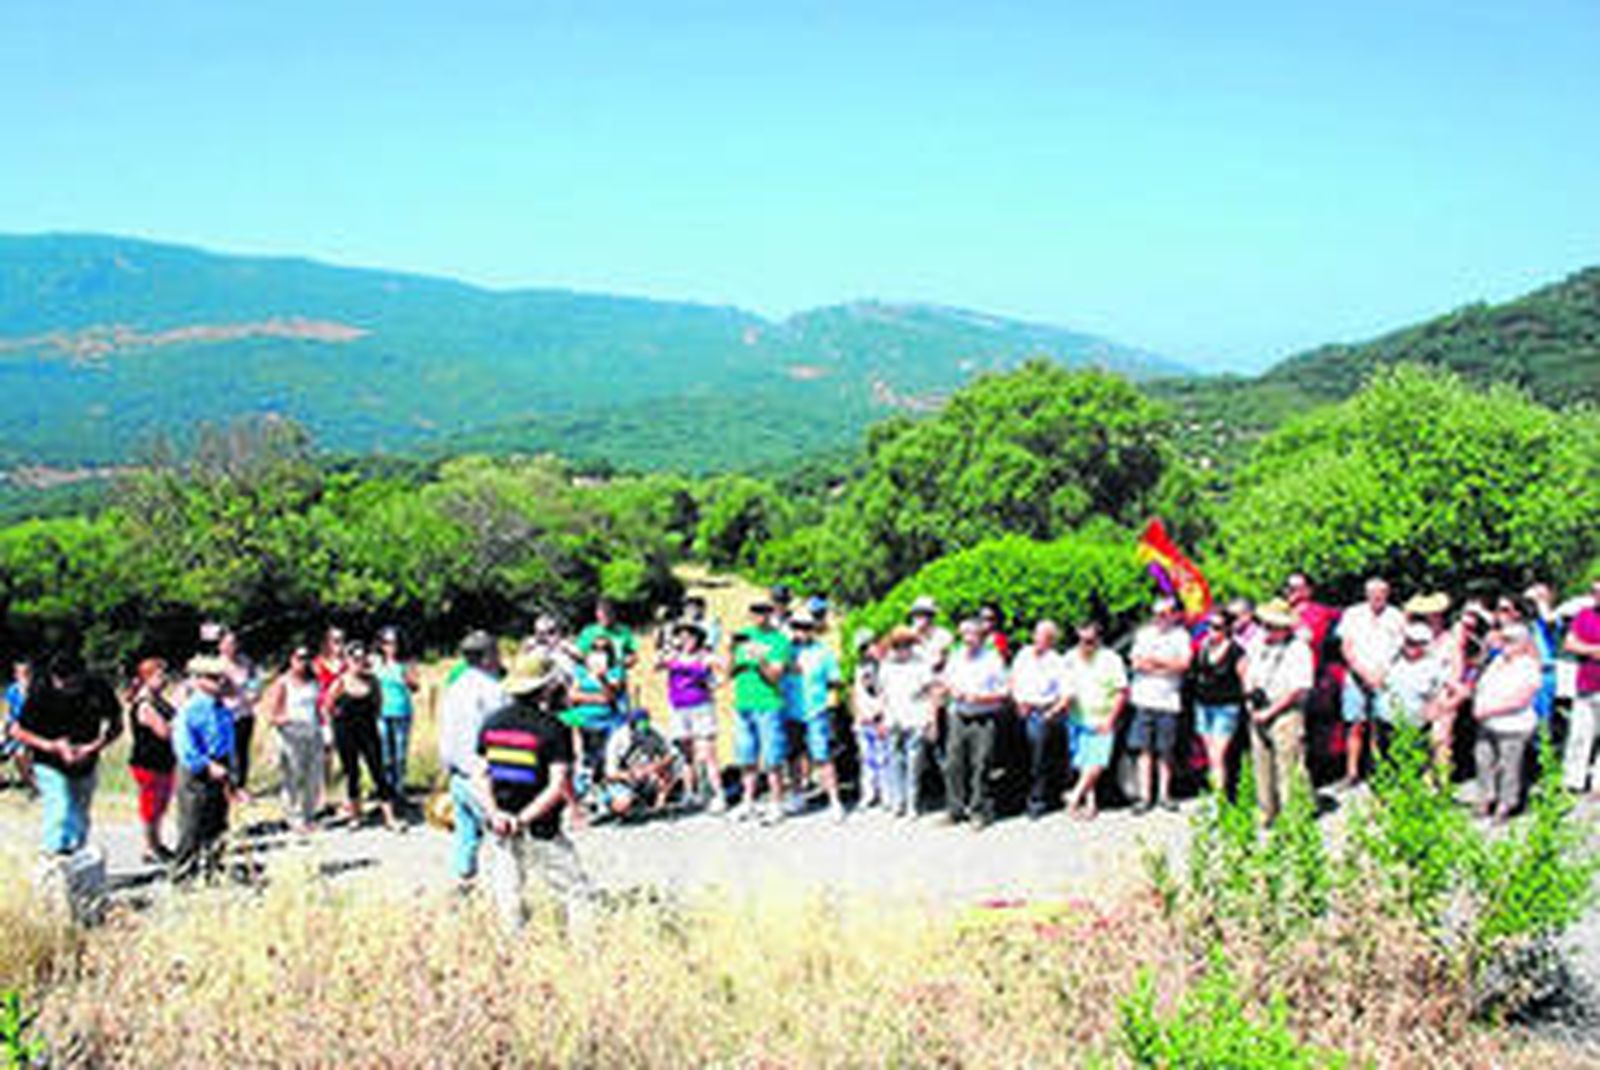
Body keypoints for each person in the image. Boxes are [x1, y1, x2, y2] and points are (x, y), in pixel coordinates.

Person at [472, 652, 595, 932]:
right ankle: (584, 950)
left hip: (500, 823)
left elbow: (481, 775)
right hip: (541, 825)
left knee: (509, 892)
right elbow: (557, 785)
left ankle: (513, 950)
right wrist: (525, 819)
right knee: (576, 889)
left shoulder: (491, 723)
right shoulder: (554, 729)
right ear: (547, 687)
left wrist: (496, 814)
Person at [10, 652, 122, 856]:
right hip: (49, 760)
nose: (62, 686)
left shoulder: (98, 688)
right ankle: (55, 855)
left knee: (79, 813)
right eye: (58, 681)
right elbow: (17, 731)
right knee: (59, 806)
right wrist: (51, 746)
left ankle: (77, 858)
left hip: (86, 759)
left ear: (81, 676)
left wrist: (93, 747)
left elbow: (116, 725)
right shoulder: (41, 689)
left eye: (69, 683)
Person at [438, 630, 506, 890]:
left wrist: (446, 769)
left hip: (457, 772)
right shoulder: (494, 690)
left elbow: (445, 732)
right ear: (488, 657)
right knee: (497, 834)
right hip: (484, 774)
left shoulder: (455, 687)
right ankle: (499, 889)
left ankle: (464, 882)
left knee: (465, 835)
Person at [171, 655, 242, 883]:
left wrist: (232, 772)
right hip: (197, 770)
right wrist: (206, 765)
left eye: (221, 678)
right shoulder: (191, 709)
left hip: (221, 764)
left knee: (218, 822)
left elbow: (228, 741)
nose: (219, 683)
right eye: (213, 678)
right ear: (199, 680)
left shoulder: (223, 709)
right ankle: (183, 874)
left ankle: (212, 868)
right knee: (193, 822)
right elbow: (184, 746)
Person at [1242, 600, 1314, 824]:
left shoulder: (1299, 649)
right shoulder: (1257, 643)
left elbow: (1299, 689)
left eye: (1272, 626)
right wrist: (1250, 694)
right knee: (1261, 764)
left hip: (1285, 711)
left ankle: (1295, 815)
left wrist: (1270, 711)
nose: (1266, 629)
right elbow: (1246, 667)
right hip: (1258, 709)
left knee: (1289, 766)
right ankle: (1267, 811)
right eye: (1265, 624)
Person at [940, 618, 1009, 829]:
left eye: (972, 634)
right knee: (953, 764)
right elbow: (946, 680)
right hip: (958, 715)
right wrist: (952, 690)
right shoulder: (956, 655)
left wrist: (980, 698)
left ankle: (979, 811)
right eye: (964, 634)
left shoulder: (992, 659)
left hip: (984, 717)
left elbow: (1005, 692)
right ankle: (955, 810)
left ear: (981, 636)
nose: (967, 639)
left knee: (981, 764)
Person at [1337, 578, 1406, 789]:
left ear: (1388, 594)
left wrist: (1381, 674)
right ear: (1366, 594)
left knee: (1383, 724)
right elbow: (1346, 647)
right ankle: (1352, 773)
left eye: (1382, 592)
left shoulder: (1397, 616)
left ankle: (1380, 770)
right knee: (1355, 724)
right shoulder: (1353, 614)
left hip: (1385, 677)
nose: (1377, 596)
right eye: (1373, 592)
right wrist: (1362, 672)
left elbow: (1401, 649)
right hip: (1356, 675)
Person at [727, 601, 792, 823]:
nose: (759, 616)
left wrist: (760, 659)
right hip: (743, 703)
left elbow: (775, 676)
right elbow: (730, 672)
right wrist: (730, 650)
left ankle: (776, 804)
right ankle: (748, 803)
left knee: (772, 758)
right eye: (755, 612)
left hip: (769, 704)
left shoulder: (780, 640)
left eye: (764, 612)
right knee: (746, 757)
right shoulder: (743, 636)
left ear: (771, 614)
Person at [1127, 597, 1193, 814]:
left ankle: (1165, 795)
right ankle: (1145, 797)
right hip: (1143, 698)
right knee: (1143, 750)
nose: (1160, 619)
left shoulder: (1181, 636)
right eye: (1156, 614)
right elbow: (1136, 662)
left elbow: (1183, 665)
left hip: (1168, 701)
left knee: (1166, 751)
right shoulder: (1143, 634)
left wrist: (1154, 663)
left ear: (1174, 614)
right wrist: (1165, 666)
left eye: (1165, 614)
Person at [324, 643, 399, 830]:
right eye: (355, 658)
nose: (359, 662)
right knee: (352, 773)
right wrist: (332, 730)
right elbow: (327, 707)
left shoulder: (373, 681)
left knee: (378, 771)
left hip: (368, 730)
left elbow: (378, 704)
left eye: (362, 658)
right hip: (345, 730)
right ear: (348, 660)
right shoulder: (340, 682)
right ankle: (356, 815)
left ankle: (390, 817)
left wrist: (373, 718)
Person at [655, 620, 725, 812]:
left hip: (701, 707)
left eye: (690, 636)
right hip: (678, 708)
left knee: (707, 754)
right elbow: (656, 665)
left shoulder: (705, 656)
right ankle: (690, 793)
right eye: (682, 636)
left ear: (698, 639)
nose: (685, 640)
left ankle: (718, 794)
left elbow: (723, 671)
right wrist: (665, 648)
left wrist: (713, 683)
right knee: (686, 755)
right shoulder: (673, 655)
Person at [1473, 623, 1542, 822]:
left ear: (1523, 644)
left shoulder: (1529, 666)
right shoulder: (1497, 662)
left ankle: (1506, 804)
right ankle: (1487, 797)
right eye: (1504, 640)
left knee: (1509, 765)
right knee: (1483, 760)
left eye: (1510, 640)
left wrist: (1489, 709)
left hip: (1513, 725)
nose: (1505, 644)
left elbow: (1521, 699)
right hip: (1488, 722)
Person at [1062, 621, 1128, 820]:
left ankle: (1074, 796)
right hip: (1077, 717)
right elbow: (1065, 686)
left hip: (1102, 717)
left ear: (1098, 640)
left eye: (1089, 641)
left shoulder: (1111, 659)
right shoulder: (1069, 658)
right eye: (1080, 640)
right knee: (1084, 762)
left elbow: (1122, 692)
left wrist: (1111, 719)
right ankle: (1090, 803)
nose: (1084, 645)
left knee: (1098, 761)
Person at [783, 608, 845, 820]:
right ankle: (797, 795)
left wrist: (821, 686)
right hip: (790, 710)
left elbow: (835, 679)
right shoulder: (785, 650)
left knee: (822, 757)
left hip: (815, 710)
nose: (801, 631)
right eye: (797, 627)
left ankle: (834, 800)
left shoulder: (823, 652)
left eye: (806, 627)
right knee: (793, 757)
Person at [260, 645, 325, 833]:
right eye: (299, 658)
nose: (303, 662)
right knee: (294, 777)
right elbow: (272, 714)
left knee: (313, 776)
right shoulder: (283, 683)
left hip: (313, 733)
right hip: (291, 734)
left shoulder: (314, 681)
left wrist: (325, 727)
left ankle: (308, 814)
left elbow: (319, 707)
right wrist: (286, 720)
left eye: (306, 658)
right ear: (291, 659)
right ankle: (293, 816)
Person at [1010, 620, 1070, 819]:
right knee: (1018, 758)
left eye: (1043, 636)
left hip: (1041, 712)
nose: (1037, 639)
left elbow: (1066, 694)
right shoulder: (1023, 654)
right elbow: (1013, 679)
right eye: (1036, 634)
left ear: (1051, 640)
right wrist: (1018, 702)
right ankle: (1016, 799)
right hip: (1020, 709)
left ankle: (1037, 801)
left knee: (1038, 761)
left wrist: (1049, 714)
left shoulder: (1057, 661)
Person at [878, 627, 937, 818]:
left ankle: (913, 803)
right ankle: (898, 802)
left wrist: (931, 720)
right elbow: (882, 694)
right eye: (898, 645)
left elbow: (931, 692)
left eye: (906, 644)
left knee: (914, 764)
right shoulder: (886, 665)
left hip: (916, 718)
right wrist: (882, 718)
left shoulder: (921, 664)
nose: (902, 648)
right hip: (893, 718)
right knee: (894, 762)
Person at [128, 658, 179, 863]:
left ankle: (156, 843)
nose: (165, 679)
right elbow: (164, 732)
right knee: (150, 806)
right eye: (159, 675)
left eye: (165, 674)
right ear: (147, 678)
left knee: (161, 805)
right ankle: (150, 846)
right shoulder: (145, 705)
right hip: (148, 762)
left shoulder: (161, 701)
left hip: (165, 761)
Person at [564, 638, 627, 800]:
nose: (599, 652)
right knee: (584, 758)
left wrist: (602, 679)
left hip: (609, 721)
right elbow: (572, 695)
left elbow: (611, 696)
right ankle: (584, 790)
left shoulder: (616, 671)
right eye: (595, 648)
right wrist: (597, 697)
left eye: (603, 648)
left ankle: (614, 790)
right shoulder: (581, 670)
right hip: (584, 721)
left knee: (608, 764)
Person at [1191, 609, 1245, 796]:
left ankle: (1219, 798)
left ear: (1227, 629)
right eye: (1209, 626)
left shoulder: (1236, 651)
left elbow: (1244, 680)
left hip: (1226, 706)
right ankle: (1217, 792)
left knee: (1217, 755)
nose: (1211, 631)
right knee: (1210, 755)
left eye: (1217, 628)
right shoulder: (1204, 647)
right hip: (1204, 704)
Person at [1379, 623, 1451, 755]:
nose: (1411, 646)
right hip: (1389, 721)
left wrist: (1435, 707)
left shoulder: (1434, 666)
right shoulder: (1394, 659)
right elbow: (1380, 682)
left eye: (1417, 643)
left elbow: (1441, 691)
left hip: (1417, 722)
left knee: (1414, 761)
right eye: (1409, 641)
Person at [598, 711, 678, 819]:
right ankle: (611, 805)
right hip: (625, 778)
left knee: (667, 772)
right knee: (623, 805)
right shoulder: (617, 739)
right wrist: (630, 775)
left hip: (649, 774)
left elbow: (673, 753)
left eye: (646, 724)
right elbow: (609, 773)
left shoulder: (655, 732)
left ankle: (659, 806)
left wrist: (657, 766)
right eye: (640, 725)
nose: (643, 728)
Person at [1560, 578, 1600, 793]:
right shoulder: (1585, 615)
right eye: (1595, 592)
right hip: (1586, 684)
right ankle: (1573, 779)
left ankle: (1597, 783)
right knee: (1579, 733)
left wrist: (1585, 648)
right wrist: (1594, 650)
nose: (1597, 596)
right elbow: (1569, 643)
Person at [374, 627, 420, 802]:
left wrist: (408, 679)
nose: (390, 647)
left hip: (402, 711)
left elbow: (416, 687)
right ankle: (386, 790)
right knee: (384, 754)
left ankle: (399, 789)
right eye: (386, 642)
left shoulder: (407, 663)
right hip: (381, 712)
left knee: (400, 754)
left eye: (393, 643)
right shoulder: (376, 663)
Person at [851, 629, 890, 810]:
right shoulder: (859, 667)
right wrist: (858, 714)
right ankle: (869, 794)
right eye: (863, 647)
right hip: (863, 718)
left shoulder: (887, 666)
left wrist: (881, 715)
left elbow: (887, 694)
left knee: (884, 758)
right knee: (867, 759)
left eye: (871, 645)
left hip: (881, 717)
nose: (868, 650)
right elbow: (856, 692)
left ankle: (886, 794)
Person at [217, 629, 260, 791]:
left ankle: (241, 785)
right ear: (220, 645)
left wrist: (254, 695)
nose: (231, 647)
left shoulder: (246, 662)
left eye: (234, 643)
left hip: (245, 712)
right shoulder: (216, 665)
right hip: (224, 713)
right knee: (226, 750)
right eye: (227, 643)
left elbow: (255, 683)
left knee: (242, 750)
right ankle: (227, 786)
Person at [576, 599, 638, 683]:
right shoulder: (589, 631)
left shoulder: (624, 631)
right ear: (597, 614)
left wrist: (627, 661)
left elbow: (634, 655)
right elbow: (580, 654)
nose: (605, 617)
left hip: (616, 676)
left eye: (608, 614)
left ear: (614, 613)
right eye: (602, 614)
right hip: (592, 676)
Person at [3, 659, 32, 789]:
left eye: (26, 673)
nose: (24, 676)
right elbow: (7, 713)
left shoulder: (35, 690)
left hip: (29, 730)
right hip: (14, 727)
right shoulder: (12, 690)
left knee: (20, 753)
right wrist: (6, 728)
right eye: (21, 673)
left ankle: (28, 780)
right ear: (16, 675)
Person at [907, 596, 954, 672]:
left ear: (931, 616)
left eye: (922, 614)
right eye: (915, 614)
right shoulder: (906, 635)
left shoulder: (944, 636)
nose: (918, 618)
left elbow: (949, 661)